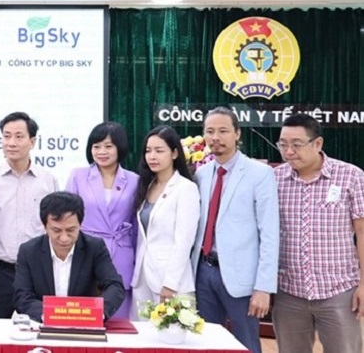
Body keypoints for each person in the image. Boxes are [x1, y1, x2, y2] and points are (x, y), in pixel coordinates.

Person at [272, 114, 364, 353]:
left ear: (318, 143)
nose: (289, 152)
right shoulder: (274, 179)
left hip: (339, 292)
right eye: (283, 144)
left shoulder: (351, 176)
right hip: (289, 292)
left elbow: (362, 232)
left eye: (296, 144)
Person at [191, 107, 278, 353]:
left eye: (223, 131)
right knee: (207, 344)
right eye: (210, 131)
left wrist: (263, 287)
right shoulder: (201, 173)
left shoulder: (260, 174)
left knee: (247, 345)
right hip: (203, 272)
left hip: (243, 278)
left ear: (237, 133)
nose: (215, 137)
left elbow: (270, 234)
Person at [0, 112, 59, 318]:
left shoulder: (48, 180)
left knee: (39, 324)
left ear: (32, 142)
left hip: (38, 269)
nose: (11, 143)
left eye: (19, 136)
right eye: (6, 136)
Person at [12, 192, 125, 322]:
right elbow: (21, 296)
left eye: (71, 230)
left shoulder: (95, 248)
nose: (64, 238)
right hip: (42, 324)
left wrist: (97, 312)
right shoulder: (29, 251)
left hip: (84, 323)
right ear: (45, 227)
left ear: (80, 225)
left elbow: (115, 286)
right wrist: (50, 315)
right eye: (56, 230)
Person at [65, 121, 139, 319]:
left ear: (119, 147)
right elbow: (67, 217)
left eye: (108, 146)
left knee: (117, 318)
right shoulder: (78, 176)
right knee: (81, 316)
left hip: (120, 255)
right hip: (85, 251)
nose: (101, 152)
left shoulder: (134, 180)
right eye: (96, 146)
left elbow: (136, 226)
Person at [131, 126, 200, 318]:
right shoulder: (147, 185)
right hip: (143, 276)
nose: (152, 156)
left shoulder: (186, 188)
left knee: (172, 333)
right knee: (142, 333)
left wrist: (170, 283)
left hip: (171, 281)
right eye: (148, 151)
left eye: (159, 151)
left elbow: (184, 241)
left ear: (175, 153)